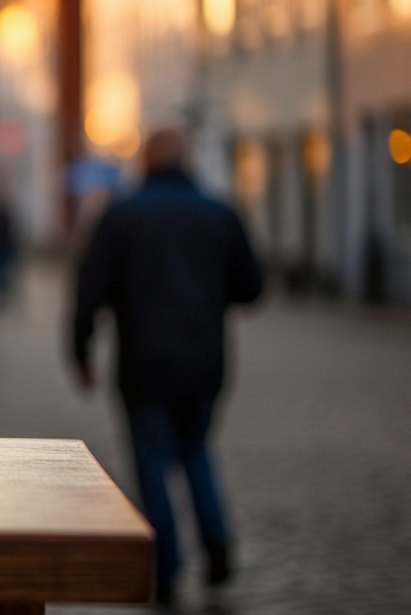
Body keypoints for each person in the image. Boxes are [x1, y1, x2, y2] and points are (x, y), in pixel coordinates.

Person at [71, 128, 263, 605]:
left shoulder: (120, 216)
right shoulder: (219, 213)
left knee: (152, 462)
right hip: (205, 362)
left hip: (143, 363)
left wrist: (80, 351)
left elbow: (88, 292)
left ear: (144, 163)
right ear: (188, 161)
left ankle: (168, 568)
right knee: (197, 449)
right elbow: (252, 287)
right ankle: (216, 542)